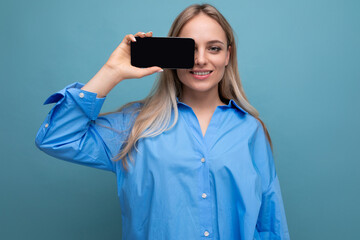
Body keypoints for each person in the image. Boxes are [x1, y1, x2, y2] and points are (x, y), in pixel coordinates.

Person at [35, 3, 290, 240]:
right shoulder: (135, 126)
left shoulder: (250, 131)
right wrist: (111, 72)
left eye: (213, 48)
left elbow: (270, 224)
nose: (201, 59)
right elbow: (56, 138)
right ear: (171, 56)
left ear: (227, 55)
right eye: (190, 48)